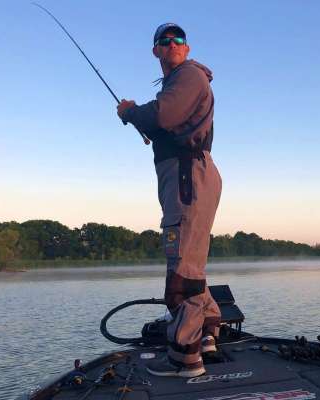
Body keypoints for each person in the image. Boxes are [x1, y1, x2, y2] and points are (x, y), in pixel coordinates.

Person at [116, 23, 221, 378]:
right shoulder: (181, 81)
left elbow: (163, 114)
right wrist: (140, 118)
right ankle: (207, 333)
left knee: (181, 269)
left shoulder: (188, 75)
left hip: (186, 175)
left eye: (179, 40)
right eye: (165, 40)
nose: (172, 43)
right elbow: (167, 120)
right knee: (191, 260)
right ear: (156, 50)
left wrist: (130, 111)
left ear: (187, 48)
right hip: (190, 174)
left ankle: (184, 358)